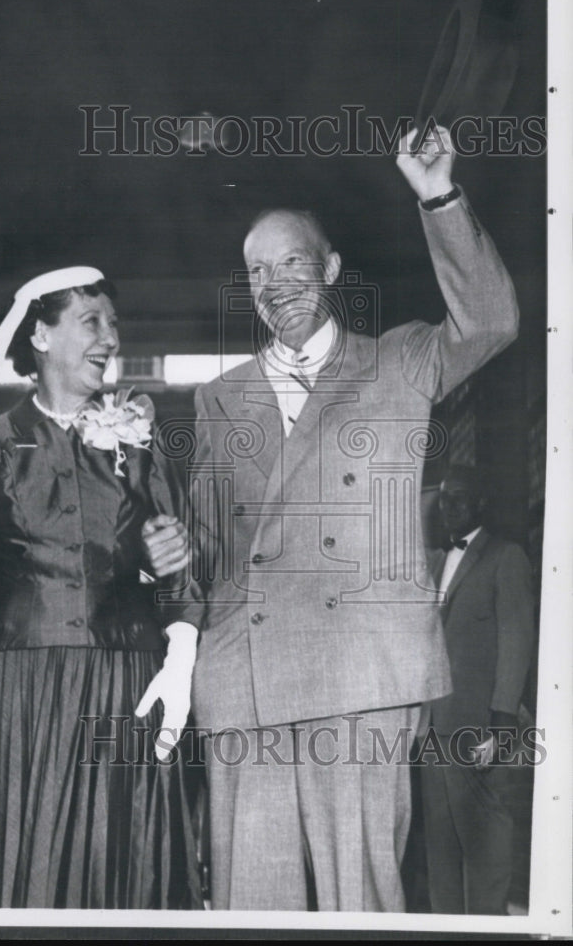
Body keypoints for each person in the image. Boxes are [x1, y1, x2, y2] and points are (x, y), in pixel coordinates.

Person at [182, 125, 521, 911]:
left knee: (357, 902)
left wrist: (436, 194)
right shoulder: (219, 397)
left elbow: (493, 322)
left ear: (331, 268)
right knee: (250, 905)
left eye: (291, 261)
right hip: (247, 679)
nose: (272, 285)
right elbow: (206, 545)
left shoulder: (398, 360)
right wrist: (154, 547)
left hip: (361, 674)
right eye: (255, 272)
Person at [0, 266, 202, 909]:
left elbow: (177, 566)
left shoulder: (141, 445)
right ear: (41, 335)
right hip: (8, 692)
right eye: (91, 321)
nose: (110, 339)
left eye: (114, 324)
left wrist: (179, 665)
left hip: (120, 684)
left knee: (110, 874)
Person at [419, 465, 535, 915]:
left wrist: (502, 722)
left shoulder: (505, 557)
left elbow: (517, 640)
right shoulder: (433, 562)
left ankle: (488, 929)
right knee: (440, 851)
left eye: (460, 498)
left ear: (481, 502)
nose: (450, 507)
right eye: (445, 498)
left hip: (477, 728)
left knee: (485, 845)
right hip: (432, 730)